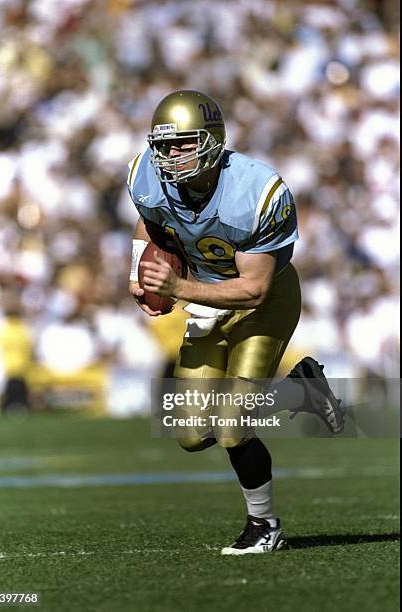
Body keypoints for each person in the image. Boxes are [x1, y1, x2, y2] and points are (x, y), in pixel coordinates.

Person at [128, 90, 344, 555]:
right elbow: (149, 220)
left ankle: (264, 526)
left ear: (211, 140)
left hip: (262, 304)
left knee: (232, 426)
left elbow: (254, 288)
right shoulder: (147, 173)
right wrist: (138, 273)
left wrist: (179, 289)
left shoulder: (254, 190)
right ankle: (300, 389)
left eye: (183, 144)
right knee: (189, 432)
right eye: (164, 145)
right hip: (207, 304)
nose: (170, 155)